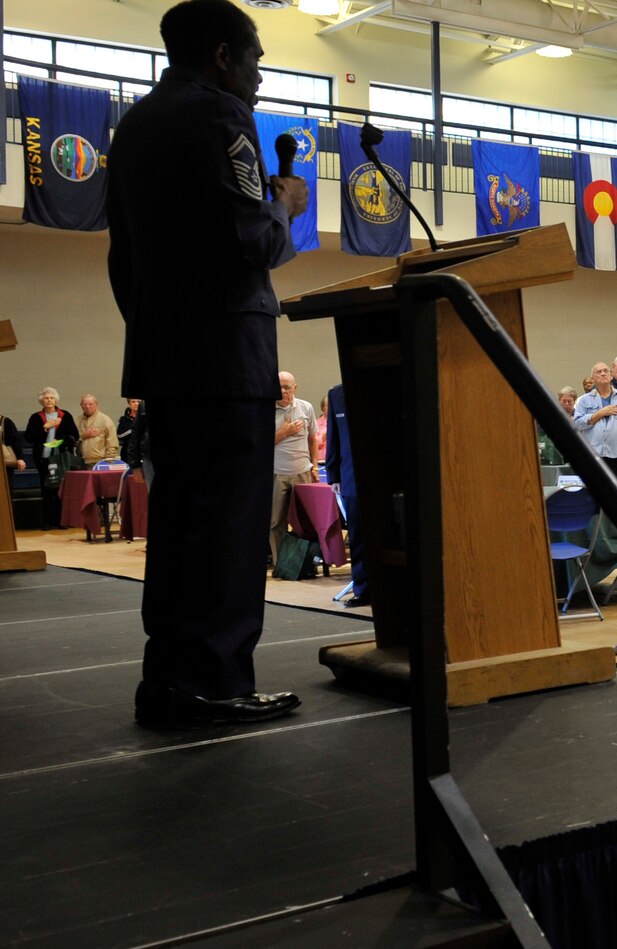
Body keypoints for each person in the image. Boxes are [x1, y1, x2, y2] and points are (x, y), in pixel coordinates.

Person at [112, 0, 311, 727]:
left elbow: (122, 259)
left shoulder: (134, 126)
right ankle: (217, 681)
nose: (259, 79)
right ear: (225, 55)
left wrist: (162, 332)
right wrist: (285, 202)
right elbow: (252, 242)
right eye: (256, 61)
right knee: (227, 529)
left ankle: (166, 679)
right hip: (228, 360)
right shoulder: (222, 119)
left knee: (176, 525)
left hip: (166, 358)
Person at [322, 384, 368, 608]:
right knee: (358, 537)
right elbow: (333, 436)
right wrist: (333, 475)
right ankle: (363, 589)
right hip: (350, 478)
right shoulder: (336, 394)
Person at [270, 372, 317, 571]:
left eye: (287, 387)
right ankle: (281, 564)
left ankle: (307, 563)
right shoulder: (266, 410)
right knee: (275, 522)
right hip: (276, 473)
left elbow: (313, 439)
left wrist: (314, 465)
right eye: (279, 386)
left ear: (295, 388)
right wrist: (283, 433)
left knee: (306, 521)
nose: (283, 391)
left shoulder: (306, 407)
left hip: (302, 472)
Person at [574, 361, 617, 479]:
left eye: (606, 371)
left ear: (611, 376)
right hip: (594, 455)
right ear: (593, 379)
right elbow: (578, 424)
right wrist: (600, 413)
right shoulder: (584, 400)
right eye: (598, 372)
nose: (603, 374)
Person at [25, 388, 81, 528]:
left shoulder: (65, 415)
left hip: (61, 458)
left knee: (61, 489)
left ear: (56, 400)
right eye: (46, 398)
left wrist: (59, 440)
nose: (49, 400)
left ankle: (62, 521)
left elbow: (74, 436)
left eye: (51, 398)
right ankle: (47, 521)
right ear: (41, 401)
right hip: (43, 458)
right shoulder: (36, 417)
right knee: (47, 489)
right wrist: (45, 427)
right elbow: (29, 437)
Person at [76, 395, 121, 467]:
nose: (87, 406)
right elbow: (74, 440)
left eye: (90, 404)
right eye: (85, 404)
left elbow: (112, 443)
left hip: (101, 461)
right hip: (82, 462)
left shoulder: (105, 420)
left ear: (96, 404)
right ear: (81, 406)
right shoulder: (78, 421)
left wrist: (108, 461)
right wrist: (84, 435)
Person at [117, 398, 147, 468]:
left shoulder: (146, 418)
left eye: (138, 402)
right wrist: (135, 429)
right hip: (128, 453)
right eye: (133, 402)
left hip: (143, 452)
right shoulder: (124, 419)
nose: (136, 404)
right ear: (129, 404)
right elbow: (119, 435)